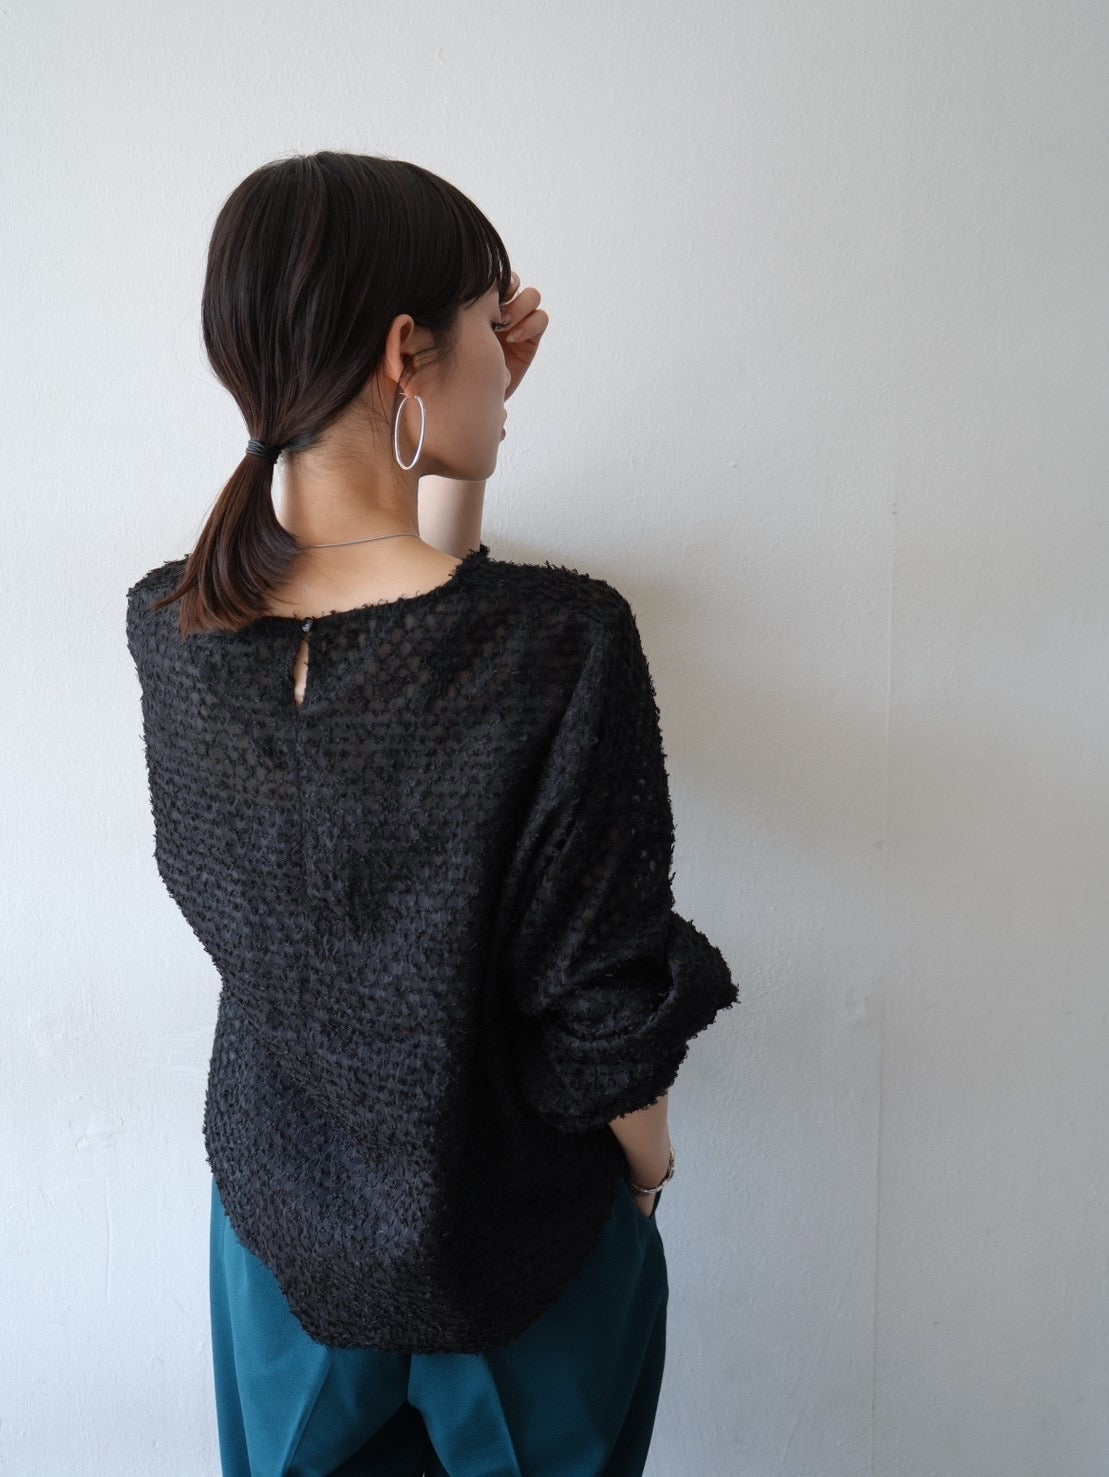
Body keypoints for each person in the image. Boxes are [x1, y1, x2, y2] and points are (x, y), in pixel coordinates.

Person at [125, 151, 739, 1476]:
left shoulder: (175, 631)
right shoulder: (562, 642)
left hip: (284, 1245)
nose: (501, 379)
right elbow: (599, 1003)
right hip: (523, 1252)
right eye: (481, 333)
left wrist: (451, 424)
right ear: (407, 350)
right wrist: (648, 1171)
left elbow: (408, 655)